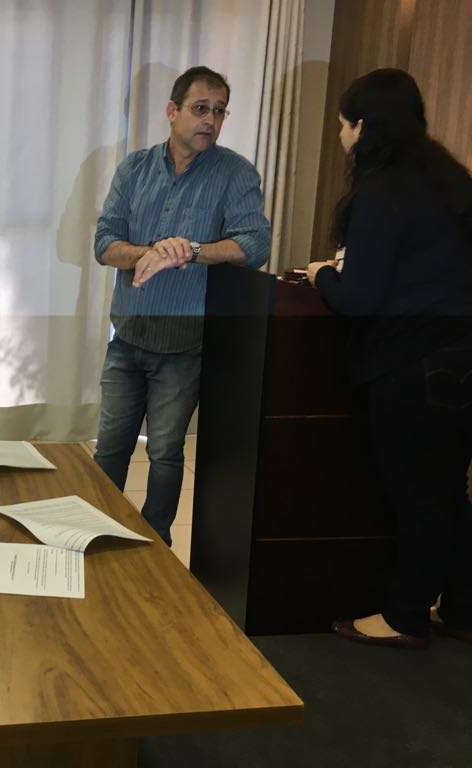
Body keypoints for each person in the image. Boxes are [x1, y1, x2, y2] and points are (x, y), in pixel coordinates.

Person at [306, 68, 472, 650]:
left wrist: (322, 275)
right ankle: (463, 609)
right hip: (462, 356)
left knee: (417, 497)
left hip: (415, 364)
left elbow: (359, 296)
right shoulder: (449, 179)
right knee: (449, 492)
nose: (341, 137)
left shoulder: (382, 190)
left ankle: (405, 617)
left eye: (342, 125)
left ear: (362, 126)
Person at [93, 66, 271, 545]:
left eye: (219, 111)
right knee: (109, 450)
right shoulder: (134, 168)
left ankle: (155, 545)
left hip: (185, 345)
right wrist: (148, 254)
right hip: (128, 338)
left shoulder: (235, 173)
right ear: (172, 111)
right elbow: (104, 242)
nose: (210, 120)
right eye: (200, 108)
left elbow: (255, 244)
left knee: (166, 454)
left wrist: (191, 251)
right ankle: (94, 533)